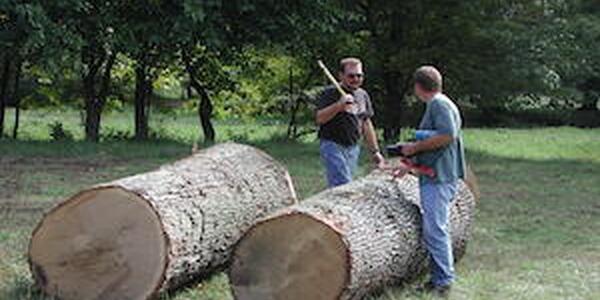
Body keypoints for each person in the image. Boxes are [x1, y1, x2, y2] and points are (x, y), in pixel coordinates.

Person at [398, 65, 466, 297]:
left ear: (418, 87)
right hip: (435, 174)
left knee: (435, 229)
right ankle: (438, 277)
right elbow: (438, 139)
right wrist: (411, 161)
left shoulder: (439, 104)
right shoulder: (441, 103)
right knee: (435, 228)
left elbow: (447, 135)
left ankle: (443, 282)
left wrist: (415, 145)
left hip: (439, 177)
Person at [316, 57, 385, 188]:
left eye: (359, 75)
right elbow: (319, 118)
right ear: (341, 76)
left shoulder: (362, 95)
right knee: (343, 184)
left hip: (353, 147)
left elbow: (366, 123)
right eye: (351, 76)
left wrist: (375, 151)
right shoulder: (330, 93)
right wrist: (339, 106)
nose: (356, 79)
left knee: (344, 185)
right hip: (332, 145)